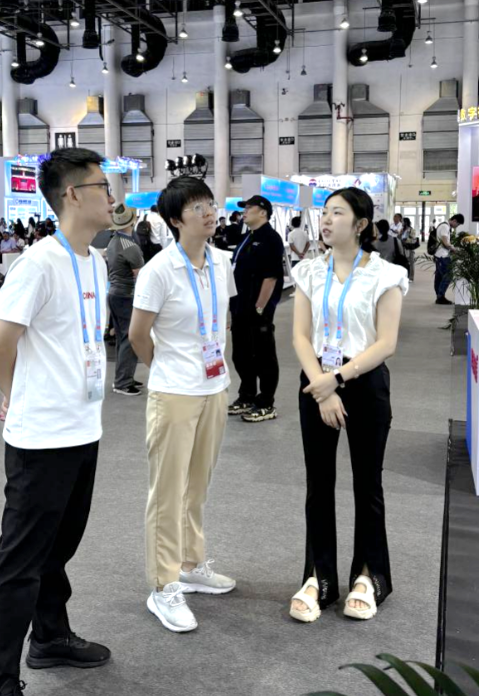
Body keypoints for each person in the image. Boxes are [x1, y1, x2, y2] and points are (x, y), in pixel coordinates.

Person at [0, 149, 114, 696]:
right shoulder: (37, 264)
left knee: (61, 544)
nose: (113, 196)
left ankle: (50, 636)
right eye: (103, 185)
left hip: (83, 428)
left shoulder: (95, 262)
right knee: (20, 561)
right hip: (40, 439)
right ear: (73, 195)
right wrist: (17, 398)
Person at [289, 187, 407, 624]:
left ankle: (369, 575)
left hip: (363, 382)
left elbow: (386, 343)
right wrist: (321, 386)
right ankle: (318, 577)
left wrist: (336, 379)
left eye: (336, 213)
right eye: (324, 212)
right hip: (316, 383)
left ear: (360, 224)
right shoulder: (308, 271)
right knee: (318, 484)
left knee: (367, 483)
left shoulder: (385, 274)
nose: (326, 220)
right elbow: (301, 335)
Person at [129, 176, 236, 633]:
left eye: (209, 203)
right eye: (196, 207)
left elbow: (221, 321)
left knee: (197, 485)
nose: (208, 212)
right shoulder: (159, 270)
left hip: (214, 387)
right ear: (175, 220)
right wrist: (166, 369)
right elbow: (137, 335)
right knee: (167, 492)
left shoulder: (222, 262)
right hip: (174, 392)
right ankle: (163, 584)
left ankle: (191, 564)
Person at [228, 195, 285, 422]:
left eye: (249, 207)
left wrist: (260, 308)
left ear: (263, 212)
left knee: (263, 356)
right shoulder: (247, 237)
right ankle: (247, 395)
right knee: (241, 355)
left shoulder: (271, 238)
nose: (245, 211)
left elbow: (271, 277)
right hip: (240, 308)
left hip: (257, 310)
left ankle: (266, 402)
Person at [107, 204, 144, 396]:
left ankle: (124, 377)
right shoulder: (131, 247)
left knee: (123, 338)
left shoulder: (114, 242)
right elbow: (141, 276)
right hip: (126, 296)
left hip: (115, 294)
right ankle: (122, 382)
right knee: (130, 339)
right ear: (133, 221)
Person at [434, 213, 465, 306]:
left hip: (439, 255)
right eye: (457, 224)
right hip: (443, 256)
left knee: (439, 277)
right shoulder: (445, 227)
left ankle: (439, 296)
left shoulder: (443, 225)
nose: (456, 226)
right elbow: (445, 242)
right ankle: (440, 297)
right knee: (448, 276)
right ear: (454, 220)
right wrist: (454, 249)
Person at [401, 216, 418, 282]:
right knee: (404, 263)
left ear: (406, 222)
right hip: (403, 248)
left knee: (411, 263)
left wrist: (405, 240)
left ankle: (411, 277)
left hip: (410, 248)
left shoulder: (411, 230)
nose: (402, 223)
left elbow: (413, 239)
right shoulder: (402, 230)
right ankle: (405, 276)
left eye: (403, 221)